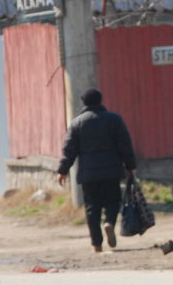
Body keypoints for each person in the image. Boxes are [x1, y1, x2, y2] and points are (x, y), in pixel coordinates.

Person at [57, 88, 137, 253]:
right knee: (112, 201)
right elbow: (125, 145)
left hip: (89, 174)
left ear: (84, 102)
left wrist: (62, 170)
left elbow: (69, 150)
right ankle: (109, 222)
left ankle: (96, 243)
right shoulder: (114, 119)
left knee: (92, 208)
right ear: (100, 100)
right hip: (111, 171)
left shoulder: (77, 123)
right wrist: (130, 167)